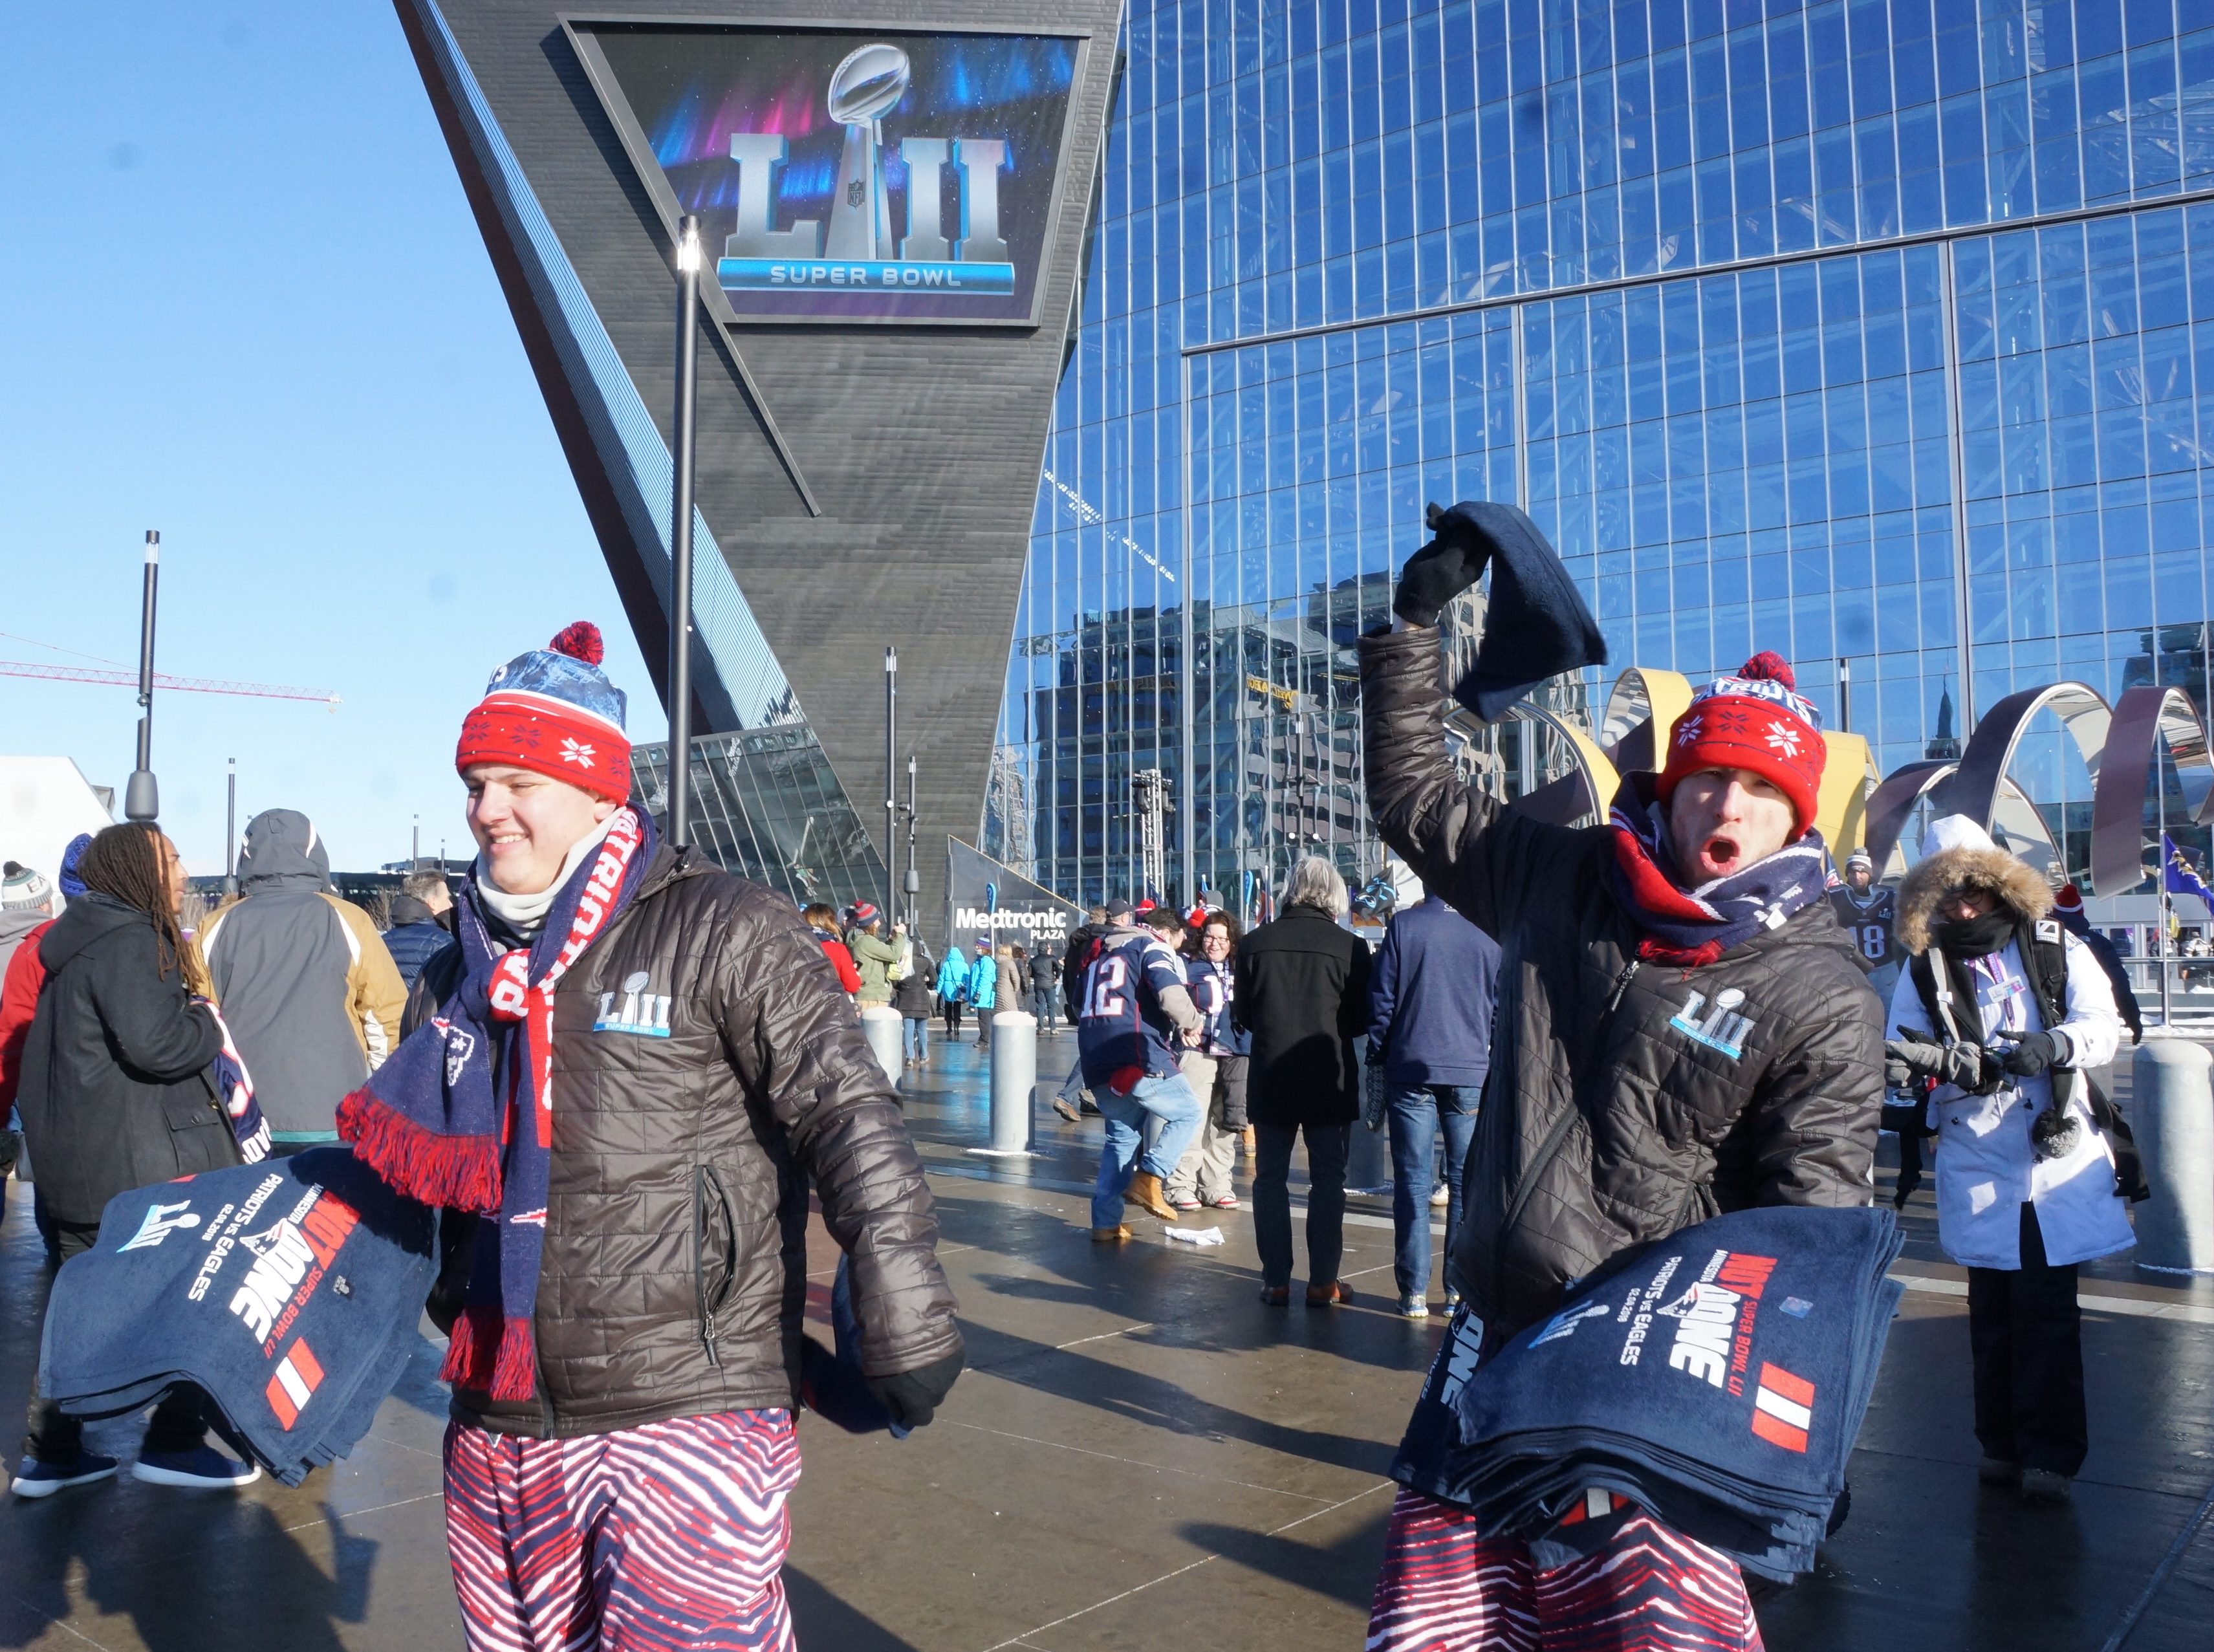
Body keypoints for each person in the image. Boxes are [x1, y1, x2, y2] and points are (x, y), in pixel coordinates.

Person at [344, 622, 962, 1647]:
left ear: (596, 790)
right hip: (498, 1411)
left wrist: (900, 1295)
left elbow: (849, 1109)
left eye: (515, 782)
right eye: (474, 782)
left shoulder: (726, 924)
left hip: (690, 1404)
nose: (484, 808)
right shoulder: (456, 972)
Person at [1359, 506, 1880, 1650]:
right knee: (1440, 1634)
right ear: (1670, 782)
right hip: (1489, 1337)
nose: (1727, 805)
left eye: (1759, 787)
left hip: (1646, 1382)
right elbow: (1413, 802)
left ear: (1797, 810)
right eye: (1706, 776)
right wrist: (1411, 627)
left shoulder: (1819, 986)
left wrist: (1780, 1448)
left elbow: (1809, 1226)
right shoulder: (1567, 875)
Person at [1885, 818, 2131, 1508]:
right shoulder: (1923, 968)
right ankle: (1999, 1444)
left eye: (1975, 891)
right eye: (1949, 895)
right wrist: (1940, 1067)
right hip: (1978, 1153)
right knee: (1990, 1307)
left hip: (2052, 1158)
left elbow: (2105, 1027)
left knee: (2047, 1307)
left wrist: (2051, 1046)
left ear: (2001, 886)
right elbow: (1899, 1047)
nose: (1964, 907)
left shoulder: (2055, 946)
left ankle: (2051, 1453)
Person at [12, 823, 260, 1497]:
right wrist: (207, 1019)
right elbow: (158, 1044)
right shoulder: (131, 941)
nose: (183, 875)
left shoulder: (71, 946)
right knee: (191, 1301)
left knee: (79, 1311)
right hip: (141, 1174)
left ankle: (52, 1454)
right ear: (137, 872)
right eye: (173, 861)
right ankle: (174, 1442)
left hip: (81, 1170)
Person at [199, 809, 406, 1152]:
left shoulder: (214, 927)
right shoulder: (348, 919)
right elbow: (385, 1018)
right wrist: (384, 1100)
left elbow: (204, 1021)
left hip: (246, 1119)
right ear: (315, 853)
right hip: (338, 1111)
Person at [1235, 857, 1372, 1307]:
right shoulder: (1349, 948)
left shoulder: (1254, 943)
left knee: (1269, 1178)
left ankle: (1275, 1279)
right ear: (1333, 894)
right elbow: (1359, 1021)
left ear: (1290, 890)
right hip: (1326, 1076)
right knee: (1328, 1179)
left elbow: (1243, 1016)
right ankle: (1322, 1281)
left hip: (1271, 1074)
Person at [1367, 886, 1501, 1319]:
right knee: (1464, 1184)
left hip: (1410, 1067)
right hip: (1468, 1070)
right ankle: (1457, 1289)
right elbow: (1500, 1008)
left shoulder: (1404, 926)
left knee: (1412, 1182)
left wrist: (1379, 1055)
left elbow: (1381, 1001)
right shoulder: (1488, 930)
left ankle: (1413, 1293)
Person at [1078, 900, 1206, 1239]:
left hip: (1096, 1058)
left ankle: (1105, 1224)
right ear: (1166, 933)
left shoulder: (1097, 955)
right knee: (1188, 1113)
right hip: (1138, 1053)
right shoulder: (1150, 946)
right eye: (1178, 941)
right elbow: (1168, 992)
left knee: (1120, 1139)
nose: (1178, 948)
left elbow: (1077, 1002)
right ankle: (1150, 1177)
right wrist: (1192, 1022)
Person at [0, 835, 90, 1259]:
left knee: (52, 1205)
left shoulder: (34, 950)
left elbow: (11, 1038)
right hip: (107, 1111)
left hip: (37, 1093)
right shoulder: (147, 939)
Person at [1164, 911, 1249, 1212]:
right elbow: (1169, 1001)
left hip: (1234, 1051)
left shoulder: (1243, 967)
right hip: (1198, 1050)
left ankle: (1215, 1185)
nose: (1215, 943)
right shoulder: (1188, 966)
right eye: (1210, 937)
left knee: (1225, 1124)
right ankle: (1180, 1185)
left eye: (1223, 939)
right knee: (1192, 1119)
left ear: (1232, 941)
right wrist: (1179, 1027)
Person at [2052, 882, 2144, 1045]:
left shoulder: (2044, 942)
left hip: (2051, 1020)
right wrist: (2132, 1018)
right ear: (2081, 912)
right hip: (2090, 1022)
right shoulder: (2100, 943)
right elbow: (2119, 983)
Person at [1830, 846, 1904, 1007]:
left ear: (1869, 873)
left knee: (1892, 1013)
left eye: (1862, 872)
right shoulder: (1835, 898)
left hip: (1886, 969)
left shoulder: (1890, 898)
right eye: (1852, 872)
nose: (1857, 876)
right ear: (1847, 874)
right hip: (1853, 968)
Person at [382, 869, 456, 989]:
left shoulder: (381, 941)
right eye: (447, 898)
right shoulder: (444, 942)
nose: (451, 904)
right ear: (433, 902)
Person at [844, 902, 899, 1009]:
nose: (879, 923)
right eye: (876, 920)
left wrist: (891, 940)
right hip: (872, 998)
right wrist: (900, 935)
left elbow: (881, 956)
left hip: (866, 996)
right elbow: (894, 954)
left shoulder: (857, 938)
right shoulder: (866, 941)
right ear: (870, 923)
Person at [893, 931, 935, 1068]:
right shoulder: (925, 962)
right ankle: (924, 1056)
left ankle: (910, 1057)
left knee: (909, 1030)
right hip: (922, 999)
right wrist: (927, 985)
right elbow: (934, 980)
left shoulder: (902, 962)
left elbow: (895, 981)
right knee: (922, 1030)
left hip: (905, 1000)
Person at [804, 902, 862, 996]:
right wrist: (856, 976)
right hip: (832, 1005)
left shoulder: (796, 946)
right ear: (830, 923)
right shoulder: (837, 949)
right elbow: (853, 986)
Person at [966, 937, 999, 1043]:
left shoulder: (986, 961)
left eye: (978, 946)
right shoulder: (979, 961)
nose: (976, 948)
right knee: (983, 1018)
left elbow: (984, 979)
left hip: (984, 995)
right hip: (981, 995)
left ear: (984, 948)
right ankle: (985, 1037)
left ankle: (985, 1040)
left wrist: (978, 993)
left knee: (984, 1019)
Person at [935, 942, 969, 1039]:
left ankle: (949, 1027)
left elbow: (942, 978)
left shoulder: (947, 965)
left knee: (948, 1008)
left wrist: (939, 989)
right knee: (957, 1008)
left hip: (948, 987)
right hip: (959, 988)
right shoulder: (964, 965)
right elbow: (967, 979)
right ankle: (957, 1028)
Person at [1029, 944, 1061, 1032]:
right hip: (1050, 985)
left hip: (1038, 985)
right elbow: (1059, 967)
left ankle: (1040, 1028)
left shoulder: (1033, 960)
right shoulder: (1052, 958)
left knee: (1040, 1006)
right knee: (1051, 1006)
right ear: (1046, 949)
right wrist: (1057, 977)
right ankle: (1053, 1028)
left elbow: (1030, 973)